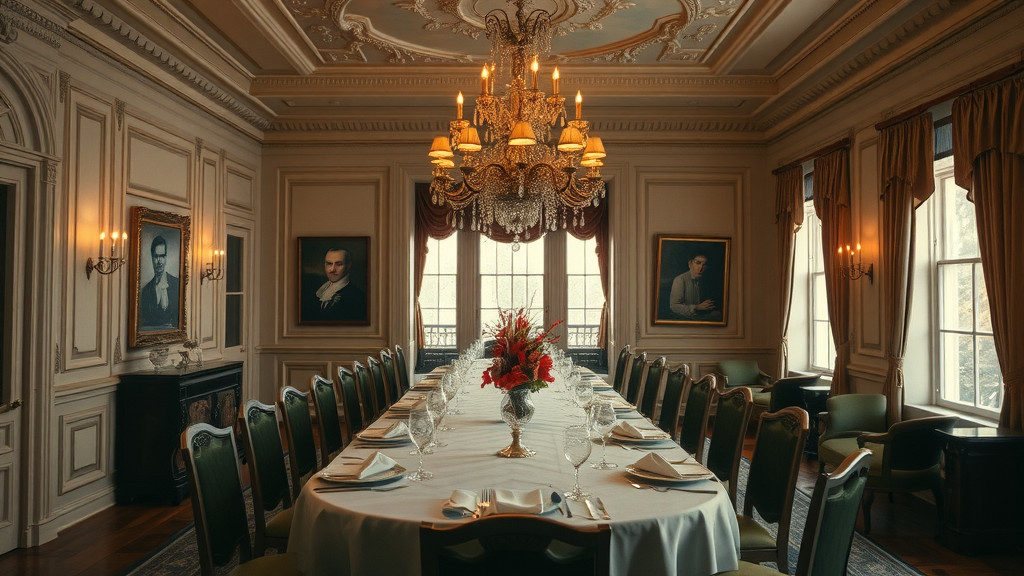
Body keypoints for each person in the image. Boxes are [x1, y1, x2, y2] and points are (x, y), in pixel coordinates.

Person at [304, 247, 367, 322]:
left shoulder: (358, 297)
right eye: (329, 264)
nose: (332, 269)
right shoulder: (320, 291)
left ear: (348, 266)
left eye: (338, 264)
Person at [139, 235, 180, 329]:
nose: (159, 261)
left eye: (162, 256)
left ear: (166, 257)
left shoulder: (177, 284)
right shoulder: (145, 291)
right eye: (156, 256)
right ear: (152, 258)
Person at [668, 252, 723, 322]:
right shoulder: (680, 280)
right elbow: (674, 306)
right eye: (698, 263)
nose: (700, 269)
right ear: (690, 263)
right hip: (684, 320)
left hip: (700, 317)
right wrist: (697, 307)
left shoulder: (704, 280)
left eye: (704, 265)